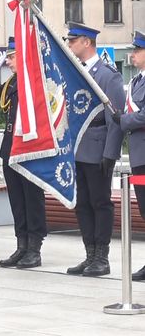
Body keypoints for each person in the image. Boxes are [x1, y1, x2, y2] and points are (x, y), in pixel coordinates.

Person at [65, 22, 125, 277]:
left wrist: (110, 153)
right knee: (82, 204)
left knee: (100, 203)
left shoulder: (108, 76)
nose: (69, 45)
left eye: (73, 40)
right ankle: (90, 254)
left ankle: (102, 256)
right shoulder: (75, 72)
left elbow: (115, 118)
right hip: (77, 148)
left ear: (86, 42)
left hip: (98, 148)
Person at [0, 37, 46, 268]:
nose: (8, 62)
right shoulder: (12, 83)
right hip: (10, 148)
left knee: (32, 200)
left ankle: (34, 248)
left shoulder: (36, 81)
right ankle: (22, 245)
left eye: (11, 57)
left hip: (30, 150)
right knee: (17, 201)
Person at [112, 30, 145, 281]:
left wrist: (123, 120)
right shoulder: (135, 82)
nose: (133, 54)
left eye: (137, 50)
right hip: (138, 155)